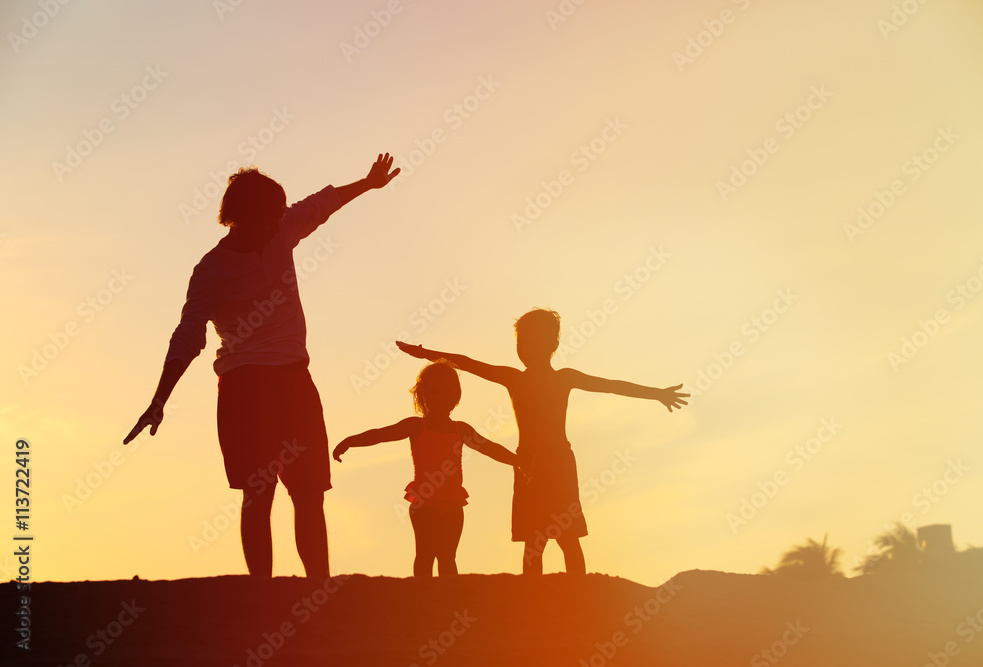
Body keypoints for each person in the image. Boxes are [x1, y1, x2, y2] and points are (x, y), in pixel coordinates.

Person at [123, 154, 400, 578]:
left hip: (294, 380)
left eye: (281, 211)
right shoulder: (211, 270)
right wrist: (159, 399)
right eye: (273, 212)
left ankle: (316, 589)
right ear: (246, 216)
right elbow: (189, 334)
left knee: (309, 493)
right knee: (259, 493)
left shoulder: (281, 230)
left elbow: (320, 205)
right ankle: (260, 593)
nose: (281, 219)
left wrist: (367, 183)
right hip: (244, 388)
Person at [397, 308, 689, 575]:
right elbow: (467, 363)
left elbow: (611, 386)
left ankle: (578, 590)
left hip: (559, 462)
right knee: (533, 539)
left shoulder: (564, 378)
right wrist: (425, 354)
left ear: (554, 345)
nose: (526, 349)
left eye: (534, 341)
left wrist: (657, 393)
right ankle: (531, 595)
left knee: (568, 535)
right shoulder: (513, 378)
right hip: (527, 462)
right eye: (521, 342)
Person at [332, 360, 518, 577]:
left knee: (448, 557)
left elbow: (489, 448)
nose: (441, 398)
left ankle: (449, 600)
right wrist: (349, 442)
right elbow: (381, 434)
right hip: (424, 502)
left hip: (453, 503)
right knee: (426, 554)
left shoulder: (461, 429)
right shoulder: (415, 426)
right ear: (422, 396)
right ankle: (422, 600)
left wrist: (518, 462)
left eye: (447, 392)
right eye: (434, 392)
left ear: (456, 396)